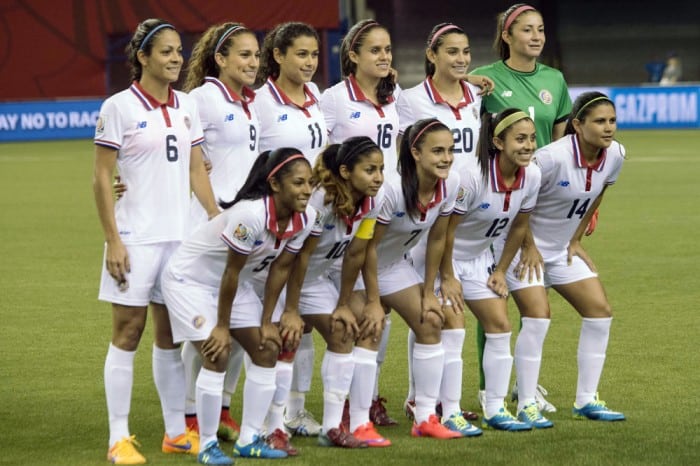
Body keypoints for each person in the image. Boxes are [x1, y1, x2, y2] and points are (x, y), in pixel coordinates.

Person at [93, 18, 218, 464]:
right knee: (128, 331)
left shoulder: (187, 105)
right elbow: (103, 178)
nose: (175, 59)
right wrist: (113, 241)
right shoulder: (118, 107)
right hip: (135, 238)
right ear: (142, 57)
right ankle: (118, 438)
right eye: (165, 51)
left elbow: (195, 168)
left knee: (171, 336)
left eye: (179, 51)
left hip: (179, 240)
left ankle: (173, 432)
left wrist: (214, 215)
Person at [162, 148, 317, 463]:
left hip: (233, 284)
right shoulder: (250, 215)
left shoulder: (306, 216)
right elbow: (230, 272)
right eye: (299, 183)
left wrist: (266, 320)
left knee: (266, 348)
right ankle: (207, 446)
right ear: (275, 185)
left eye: (309, 183)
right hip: (189, 281)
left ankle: (249, 439)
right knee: (217, 352)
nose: (307, 190)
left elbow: (280, 269)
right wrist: (221, 327)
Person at [470, 3, 573, 413]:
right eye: (526, 30)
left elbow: (565, 143)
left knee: (535, 292)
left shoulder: (555, 80)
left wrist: (577, 206)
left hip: (543, 199)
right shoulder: (486, 79)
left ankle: (524, 387)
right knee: (495, 293)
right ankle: (487, 385)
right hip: (497, 195)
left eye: (541, 29)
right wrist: (467, 82)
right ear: (507, 36)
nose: (536, 36)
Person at [176, 21, 262, 444]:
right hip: (209, 227)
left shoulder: (248, 103)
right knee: (207, 331)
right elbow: (175, 152)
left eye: (256, 55)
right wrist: (214, 212)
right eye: (243, 54)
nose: (252, 62)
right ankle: (190, 417)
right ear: (220, 58)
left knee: (241, 327)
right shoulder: (201, 99)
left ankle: (222, 408)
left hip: (243, 228)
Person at [397, 22, 485, 424]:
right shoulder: (412, 101)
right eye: (452, 52)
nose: (462, 59)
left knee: (436, 313)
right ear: (431, 55)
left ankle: (424, 399)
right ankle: (429, 403)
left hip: (465, 215)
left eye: (466, 52)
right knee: (434, 311)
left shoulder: (475, 96)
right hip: (426, 216)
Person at [353, 118, 464, 439]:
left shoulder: (450, 182)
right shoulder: (390, 191)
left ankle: (426, 418)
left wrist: (430, 290)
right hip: (360, 268)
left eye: (450, 151)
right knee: (369, 330)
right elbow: (368, 249)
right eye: (437, 151)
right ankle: (360, 421)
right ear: (415, 153)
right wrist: (374, 301)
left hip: (394, 266)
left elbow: (438, 238)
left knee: (431, 320)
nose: (446, 158)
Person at [280, 136, 390, 448]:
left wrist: (346, 303)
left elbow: (356, 253)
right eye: (370, 170)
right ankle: (268, 424)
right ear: (345, 171)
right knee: (276, 344)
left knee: (343, 330)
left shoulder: (373, 200)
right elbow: (298, 256)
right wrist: (290, 310)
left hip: (315, 278)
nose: (378, 177)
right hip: (282, 277)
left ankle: (333, 428)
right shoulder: (320, 201)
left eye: (381, 169)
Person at [523, 91, 626, 422]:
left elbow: (599, 193)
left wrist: (576, 238)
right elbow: (517, 199)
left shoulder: (616, 155)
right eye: (599, 121)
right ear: (578, 125)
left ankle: (585, 400)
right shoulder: (550, 158)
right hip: (524, 250)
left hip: (561, 249)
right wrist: (527, 246)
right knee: (538, 317)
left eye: (611, 121)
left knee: (599, 312)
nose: (608, 128)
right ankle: (526, 401)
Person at [319, 19, 399, 426]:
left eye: (387, 50)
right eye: (375, 50)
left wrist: (472, 79)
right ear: (353, 55)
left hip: (389, 219)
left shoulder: (395, 95)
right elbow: (317, 152)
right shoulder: (332, 100)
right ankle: (308, 407)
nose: (384, 56)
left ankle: (366, 397)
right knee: (345, 306)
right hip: (344, 218)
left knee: (377, 308)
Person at [440, 109, 540, 432]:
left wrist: (499, 270)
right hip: (447, 257)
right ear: (498, 141)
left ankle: (495, 408)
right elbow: (444, 231)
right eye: (520, 139)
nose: (528, 146)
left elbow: (519, 227)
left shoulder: (532, 176)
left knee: (500, 325)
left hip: (481, 259)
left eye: (532, 139)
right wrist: (447, 277)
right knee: (454, 330)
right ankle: (450, 412)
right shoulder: (471, 176)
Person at [253, 21, 326, 436]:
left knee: (301, 322)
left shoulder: (316, 95)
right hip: (275, 227)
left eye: (314, 54)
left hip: (313, 224)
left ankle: (293, 411)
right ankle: (265, 415)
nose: (310, 62)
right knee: (271, 320)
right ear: (277, 56)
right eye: (301, 54)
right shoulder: (260, 102)